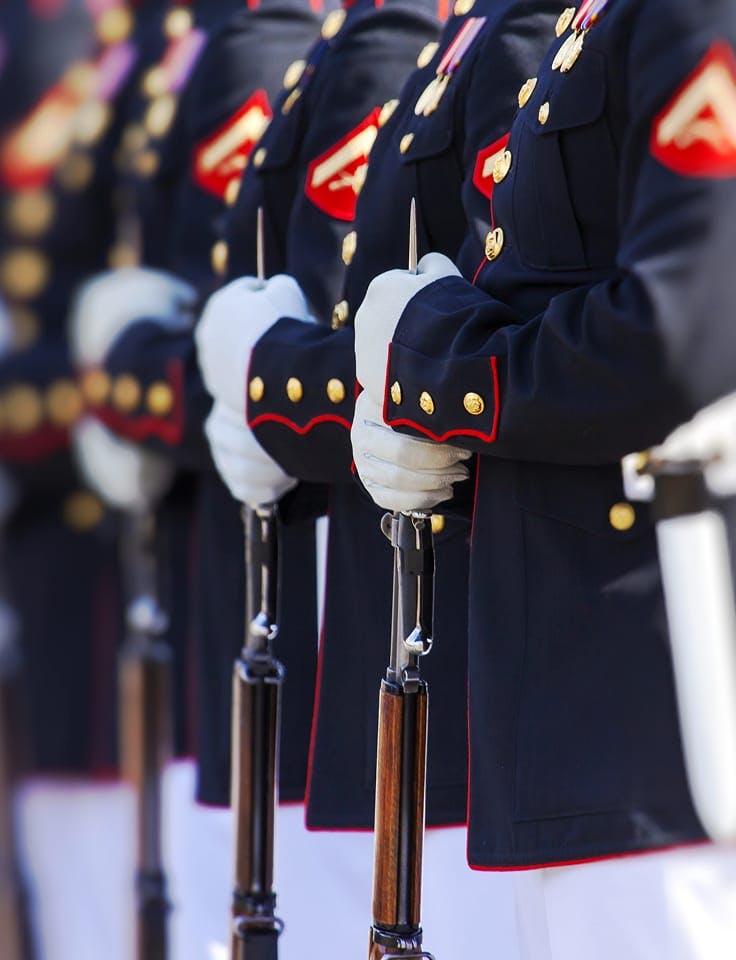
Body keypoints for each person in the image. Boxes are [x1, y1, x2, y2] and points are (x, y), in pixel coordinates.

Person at [351, 0, 736, 955]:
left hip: (658, 701)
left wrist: (432, 364)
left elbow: (676, 332)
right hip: (562, 720)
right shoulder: (589, 20)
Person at [195, 0, 560, 955]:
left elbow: (489, 316)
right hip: (385, 618)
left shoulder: (489, 33)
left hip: (453, 631)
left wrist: (264, 372)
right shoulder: (441, 35)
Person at [67, 1, 326, 954]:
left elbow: (258, 313)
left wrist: (130, 375)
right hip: (203, 556)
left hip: (278, 561)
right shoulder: (204, 40)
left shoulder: (260, 40)